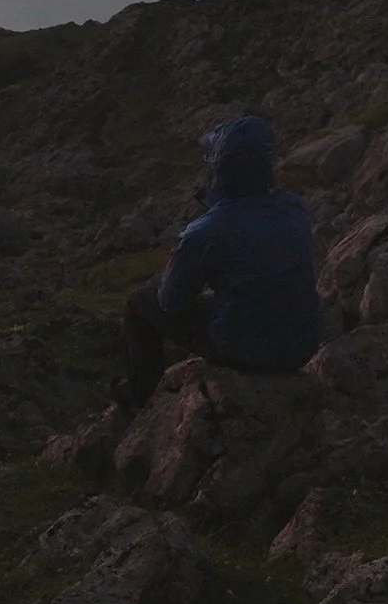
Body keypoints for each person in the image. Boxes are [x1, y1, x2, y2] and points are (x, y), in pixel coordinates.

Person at [117, 115, 323, 409]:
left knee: (138, 304)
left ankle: (141, 397)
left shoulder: (206, 231)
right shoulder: (294, 208)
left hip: (243, 349)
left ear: (218, 167)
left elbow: (171, 301)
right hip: (304, 344)